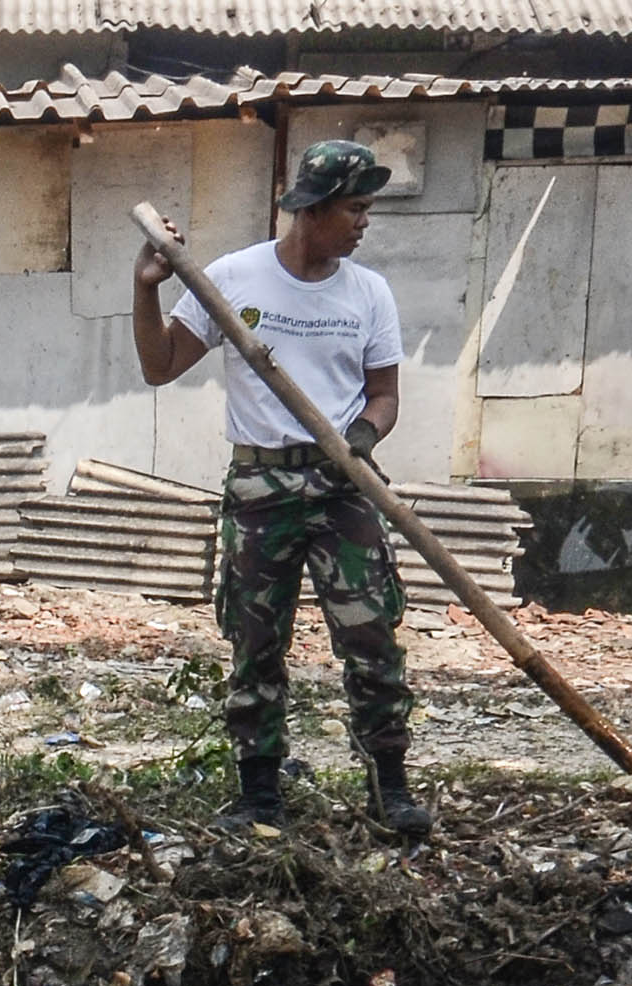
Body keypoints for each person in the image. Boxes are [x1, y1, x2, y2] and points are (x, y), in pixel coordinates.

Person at [132, 135, 428, 840]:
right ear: (315, 210)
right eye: (355, 208)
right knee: (255, 642)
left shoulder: (369, 293)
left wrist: (362, 437)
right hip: (261, 483)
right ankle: (259, 794)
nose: (364, 223)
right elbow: (160, 364)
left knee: (372, 639)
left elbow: (383, 396)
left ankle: (390, 789)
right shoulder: (235, 279)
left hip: (341, 483)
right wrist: (146, 290)